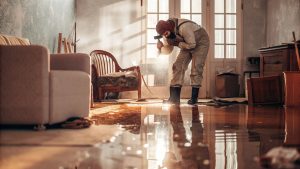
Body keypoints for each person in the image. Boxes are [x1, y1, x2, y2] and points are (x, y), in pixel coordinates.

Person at [155, 18, 209, 105]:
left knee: (196, 68)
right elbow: (168, 50)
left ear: (170, 28)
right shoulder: (166, 35)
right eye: (164, 35)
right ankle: (174, 99)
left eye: (166, 33)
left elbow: (192, 45)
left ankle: (194, 99)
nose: (166, 36)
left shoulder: (184, 27)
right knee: (177, 66)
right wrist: (161, 48)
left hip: (200, 42)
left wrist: (178, 44)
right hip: (187, 43)